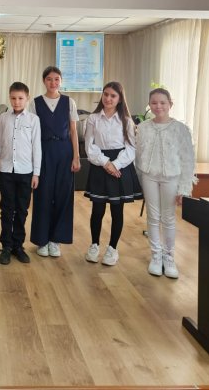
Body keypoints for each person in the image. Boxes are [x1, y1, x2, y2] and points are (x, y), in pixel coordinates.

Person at [136, 88, 195, 279]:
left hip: (172, 177)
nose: (158, 106)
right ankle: (156, 256)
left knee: (168, 218)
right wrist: (140, 179)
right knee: (153, 216)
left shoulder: (181, 129)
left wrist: (184, 188)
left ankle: (169, 256)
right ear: (149, 105)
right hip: (149, 176)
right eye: (154, 103)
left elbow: (188, 160)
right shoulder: (143, 128)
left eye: (162, 102)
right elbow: (138, 155)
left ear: (170, 104)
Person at [84, 81, 142, 266]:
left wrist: (115, 165)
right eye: (106, 94)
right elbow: (89, 146)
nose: (108, 98)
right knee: (97, 209)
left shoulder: (126, 120)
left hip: (120, 166)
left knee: (117, 210)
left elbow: (131, 148)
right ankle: (94, 245)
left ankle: (112, 248)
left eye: (113, 96)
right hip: (100, 164)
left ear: (120, 99)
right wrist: (106, 163)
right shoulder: (93, 119)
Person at [30, 66, 80, 257]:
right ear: (44, 81)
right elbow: (33, 133)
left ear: (61, 81)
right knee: (42, 195)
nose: (53, 82)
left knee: (63, 195)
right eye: (49, 79)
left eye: (56, 79)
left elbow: (73, 131)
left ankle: (55, 240)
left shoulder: (69, 102)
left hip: (64, 151)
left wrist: (76, 157)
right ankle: (42, 240)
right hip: (43, 151)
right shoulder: (35, 103)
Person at [0, 82, 41, 265]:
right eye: (13, 98)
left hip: (25, 172)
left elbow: (36, 147)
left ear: (27, 98)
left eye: (20, 98)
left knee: (22, 210)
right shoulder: (4, 118)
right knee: (7, 210)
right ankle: (6, 246)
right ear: (9, 97)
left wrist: (36, 173)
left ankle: (18, 246)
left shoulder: (33, 120)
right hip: (6, 170)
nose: (16, 102)